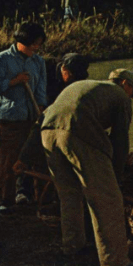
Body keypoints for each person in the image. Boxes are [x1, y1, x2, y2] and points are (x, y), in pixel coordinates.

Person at [38, 69, 133, 266]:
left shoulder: (87, 87)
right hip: (75, 129)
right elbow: (120, 140)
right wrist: (116, 178)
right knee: (106, 199)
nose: (132, 95)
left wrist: (23, 158)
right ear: (126, 84)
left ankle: (73, 247)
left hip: (47, 133)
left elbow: (44, 117)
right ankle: (115, 262)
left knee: (69, 194)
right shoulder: (120, 97)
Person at [0, 22, 48, 212]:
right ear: (23, 41)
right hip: (9, 119)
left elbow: (41, 89)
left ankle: (34, 196)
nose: (36, 48)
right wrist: (14, 82)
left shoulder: (38, 62)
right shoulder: (1, 59)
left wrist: (42, 108)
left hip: (32, 118)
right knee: (8, 161)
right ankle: (5, 200)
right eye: (34, 44)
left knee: (35, 158)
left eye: (39, 44)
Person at [15, 53, 90, 181]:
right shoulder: (44, 67)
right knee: (30, 142)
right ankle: (23, 188)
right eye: (71, 75)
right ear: (64, 68)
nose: (73, 79)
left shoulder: (76, 78)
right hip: (32, 106)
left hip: (55, 107)